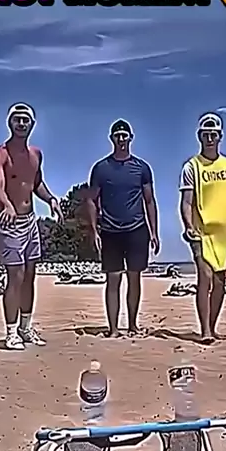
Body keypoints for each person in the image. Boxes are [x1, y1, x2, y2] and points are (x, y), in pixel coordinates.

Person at [0, 103, 63, 350]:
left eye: (25, 120)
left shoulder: (36, 154)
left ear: (32, 124)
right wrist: (7, 204)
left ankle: (25, 327)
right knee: (16, 275)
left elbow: (36, 182)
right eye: (17, 119)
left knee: (30, 274)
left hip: (30, 221)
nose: (21, 123)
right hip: (8, 221)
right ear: (10, 123)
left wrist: (51, 199)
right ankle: (11, 331)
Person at [179, 112, 226, 344]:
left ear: (220, 137)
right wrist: (188, 226)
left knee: (220, 282)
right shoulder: (192, 167)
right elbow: (186, 202)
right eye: (205, 135)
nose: (210, 139)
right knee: (205, 277)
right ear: (199, 137)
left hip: (223, 235)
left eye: (214, 135)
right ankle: (205, 331)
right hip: (200, 232)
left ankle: (212, 326)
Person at [86, 119, 160, 337]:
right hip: (110, 230)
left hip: (137, 229)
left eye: (124, 135)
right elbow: (91, 200)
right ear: (112, 139)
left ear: (131, 138)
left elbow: (149, 201)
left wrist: (154, 232)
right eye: (117, 136)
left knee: (134, 278)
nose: (121, 139)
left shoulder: (142, 168)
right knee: (113, 279)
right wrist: (94, 230)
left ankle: (133, 325)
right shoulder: (101, 168)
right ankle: (113, 329)